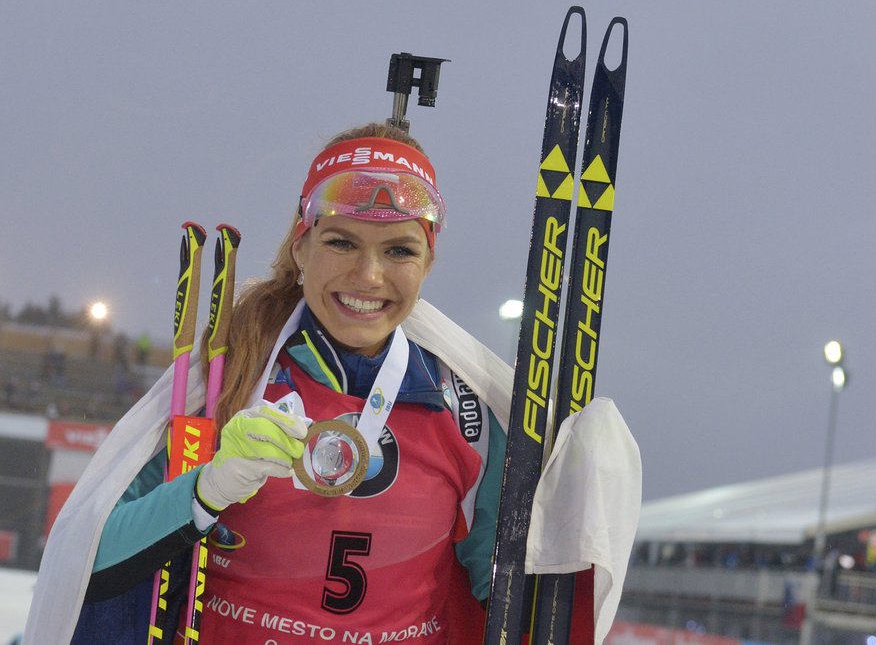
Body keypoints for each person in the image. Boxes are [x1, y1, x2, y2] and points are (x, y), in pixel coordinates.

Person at [23, 122, 640, 645]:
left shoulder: (469, 412)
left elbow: (500, 601)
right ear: (301, 246)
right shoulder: (231, 375)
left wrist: (582, 507)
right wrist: (204, 490)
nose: (367, 276)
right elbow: (90, 561)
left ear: (428, 262)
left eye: (399, 251)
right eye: (341, 242)